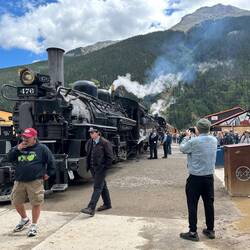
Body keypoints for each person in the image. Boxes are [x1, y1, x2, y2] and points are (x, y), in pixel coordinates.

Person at [7, 128, 55, 237]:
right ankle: (24, 219)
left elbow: (51, 161)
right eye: (24, 137)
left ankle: (34, 225)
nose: (25, 139)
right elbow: (8, 158)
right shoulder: (19, 147)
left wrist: (49, 173)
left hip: (35, 181)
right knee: (16, 201)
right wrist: (17, 149)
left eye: (27, 138)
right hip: (19, 180)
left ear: (34, 138)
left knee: (36, 203)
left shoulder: (42, 148)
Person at [179, 118, 217, 242]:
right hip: (209, 178)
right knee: (209, 204)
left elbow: (183, 149)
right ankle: (210, 230)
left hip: (195, 178)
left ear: (197, 129)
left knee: (192, 204)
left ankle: (193, 232)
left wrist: (186, 136)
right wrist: (197, 133)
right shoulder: (214, 140)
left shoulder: (193, 141)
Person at [81, 127, 113, 216]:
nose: (90, 134)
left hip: (101, 169)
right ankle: (107, 204)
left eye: (92, 132)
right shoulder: (90, 142)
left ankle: (91, 208)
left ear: (98, 133)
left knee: (97, 187)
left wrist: (104, 168)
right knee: (103, 186)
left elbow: (110, 157)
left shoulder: (105, 143)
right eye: (90, 133)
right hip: (92, 168)